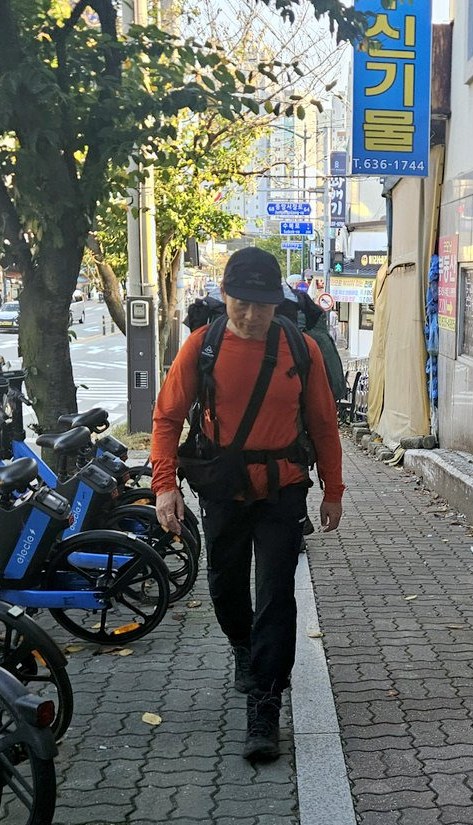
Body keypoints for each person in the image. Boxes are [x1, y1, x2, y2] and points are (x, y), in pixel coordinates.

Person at [150, 247, 345, 763]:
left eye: (263, 304)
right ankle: (243, 645)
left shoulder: (300, 348)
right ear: (224, 295)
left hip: (283, 488)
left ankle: (265, 703)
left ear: (277, 302)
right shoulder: (203, 346)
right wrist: (164, 485)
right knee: (225, 586)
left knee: (277, 595)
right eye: (242, 302)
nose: (253, 314)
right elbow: (167, 417)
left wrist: (334, 489)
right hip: (223, 488)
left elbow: (324, 424)